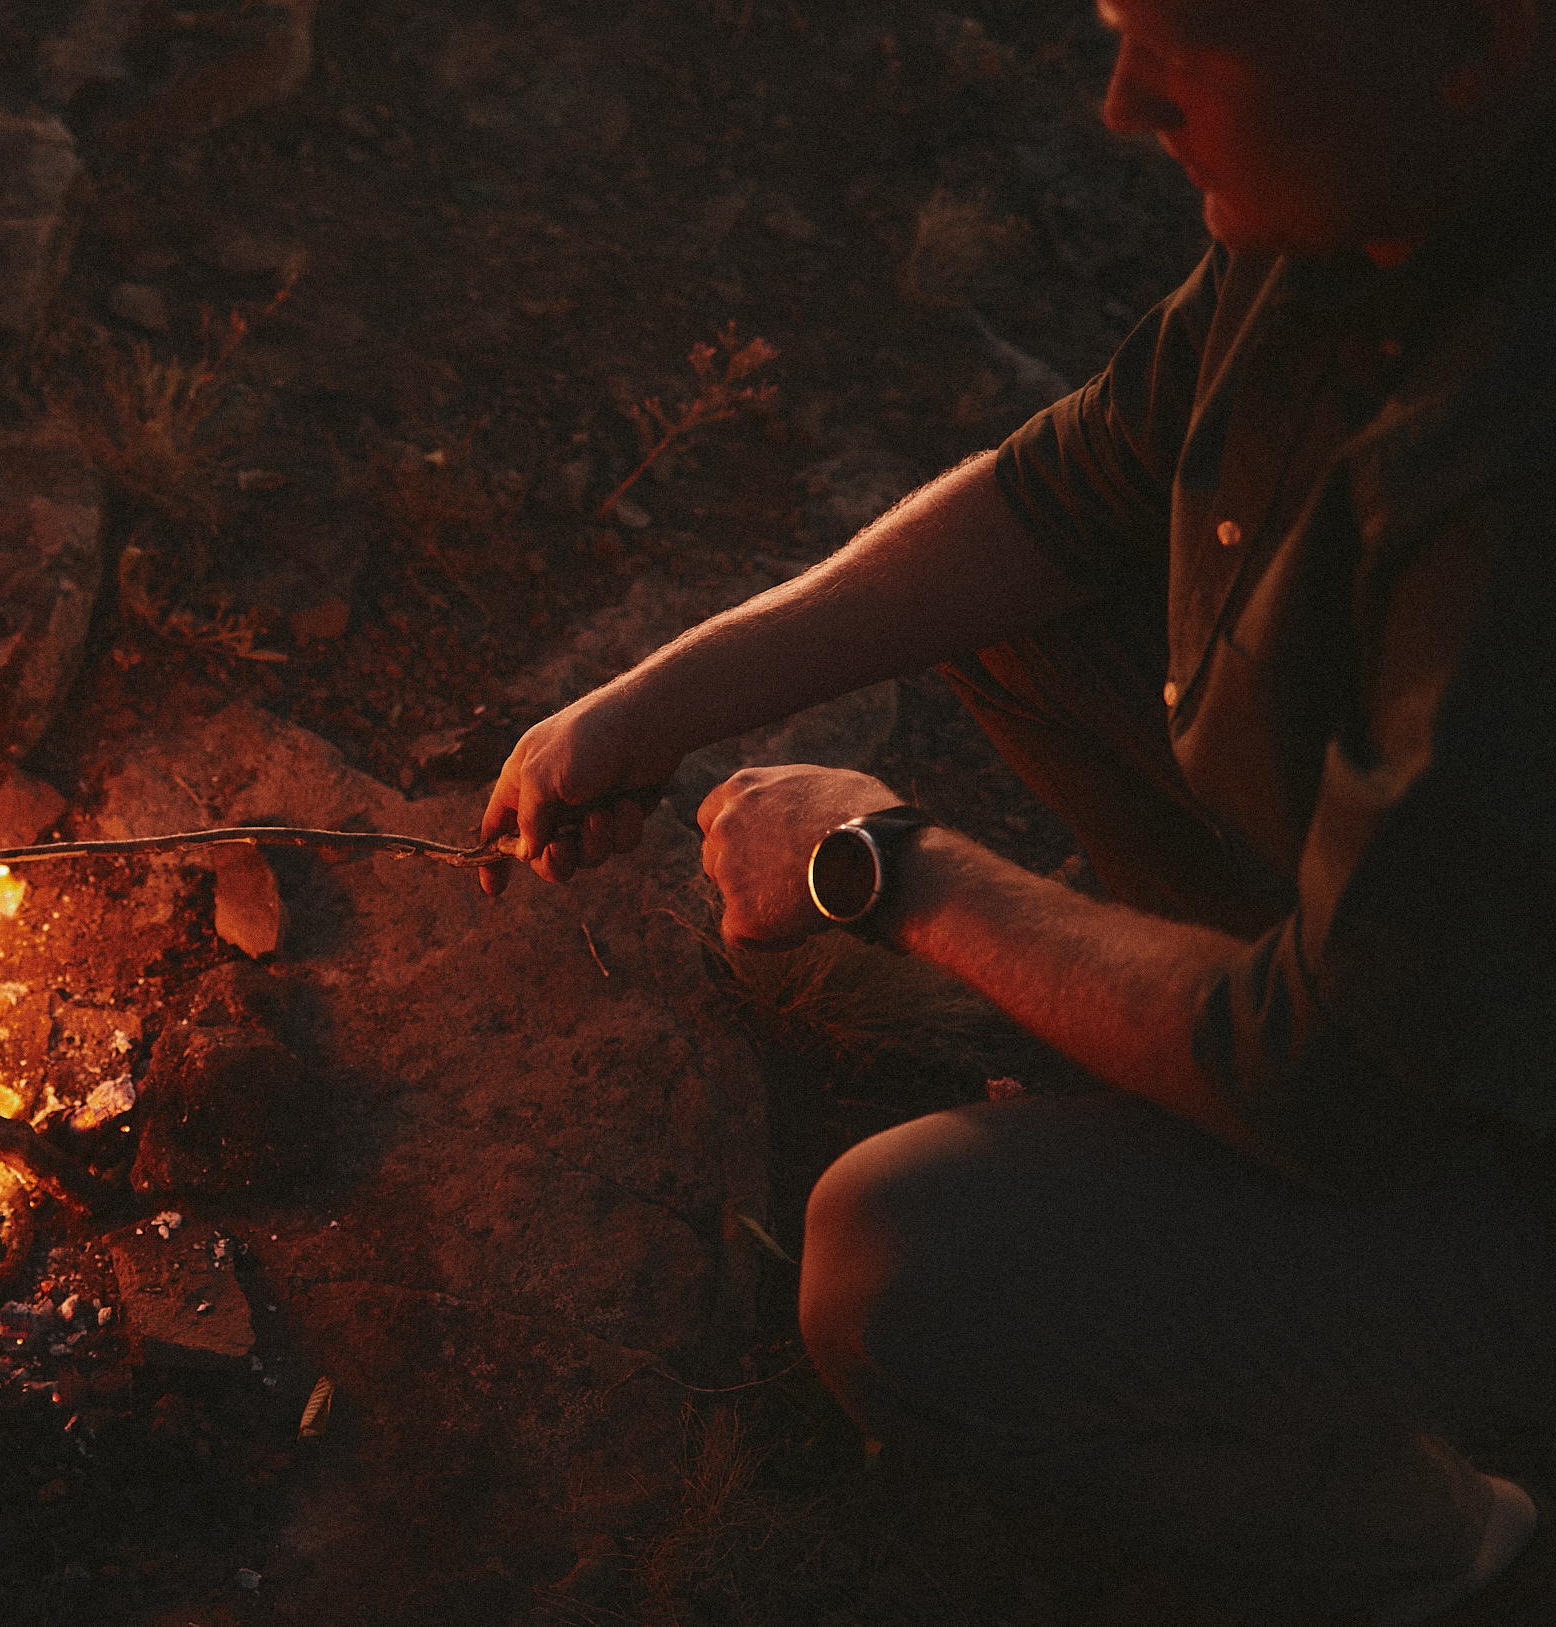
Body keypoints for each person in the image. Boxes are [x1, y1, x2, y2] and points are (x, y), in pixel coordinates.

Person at [479, 2, 1556, 1620]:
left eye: (1190, 47)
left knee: (901, 1269)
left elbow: (1333, 1075)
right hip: (1424, 961)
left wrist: (885, 868)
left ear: (1477, 41)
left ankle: (1443, 1537)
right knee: (1018, 602)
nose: (1122, 104)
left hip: (1471, 1114)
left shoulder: (1511, 466)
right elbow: (1065, 497)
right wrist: (652, 702)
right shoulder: (1373, 192)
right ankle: (1156, 1101)